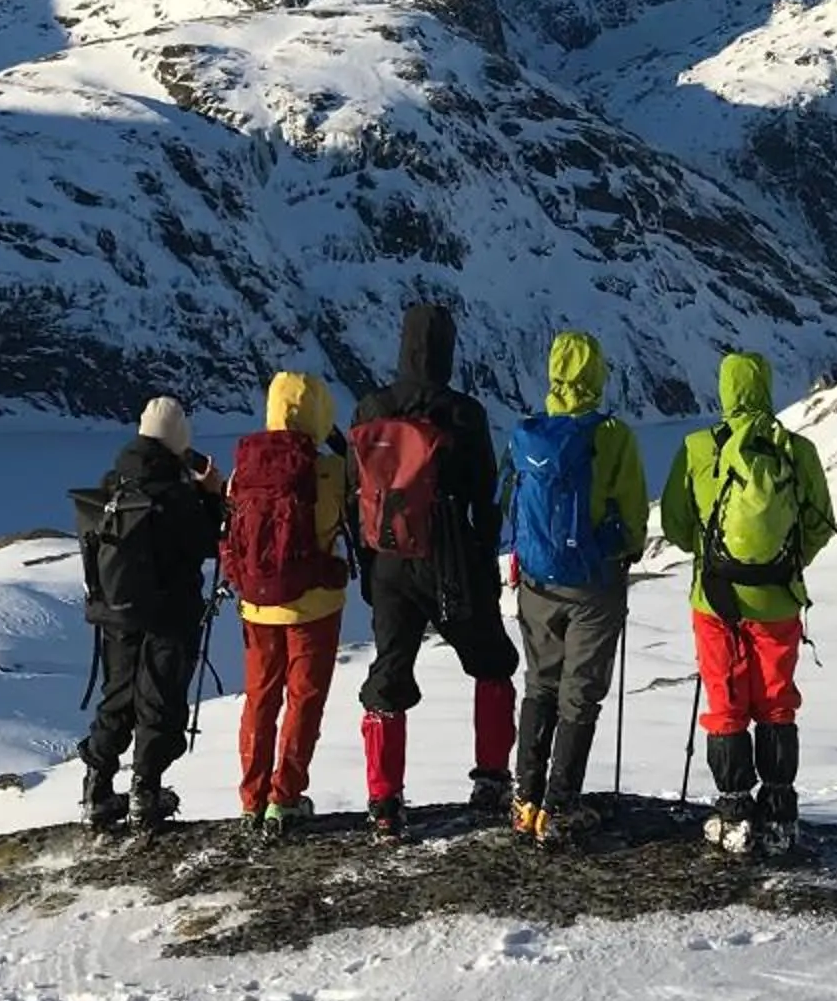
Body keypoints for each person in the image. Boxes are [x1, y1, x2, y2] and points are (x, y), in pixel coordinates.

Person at [350, 301, 519, 840]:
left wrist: (370, 565)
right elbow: (485, 497)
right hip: (451, 558)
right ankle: (491, 779)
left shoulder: (370, 409)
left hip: (390, 560)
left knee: (389, 674)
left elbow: (362, 497)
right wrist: (483, 559)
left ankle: (383, 802)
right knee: (491, 661)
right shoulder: (465, 414)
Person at [658, 352, 836, 857]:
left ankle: (734, 812)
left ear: (725, 391)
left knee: (726, 701)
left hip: (715, 599)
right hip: (778, 600)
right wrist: (785, 562)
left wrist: (710, 553)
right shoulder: (796, 450)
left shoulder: (697, 447)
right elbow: (821, 522)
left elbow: (674, 524)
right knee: (777, 700)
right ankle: (780, 812)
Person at [502, 330, 652, 846]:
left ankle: (524, 801)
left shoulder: (529, 433)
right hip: (594, 582)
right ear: (597, 375)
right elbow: (633, 509)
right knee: (580, 693)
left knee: (539, 683)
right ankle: (560, 806)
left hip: (537, 582)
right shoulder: (611, 435)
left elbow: (510, 502)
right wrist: (629, 547)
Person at [76, 395, 226, 833]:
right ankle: (146, 790)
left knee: (118, 696)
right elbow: (207, 543)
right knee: (158, 699)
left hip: (117, 611)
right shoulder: (175, 492)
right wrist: (211, 496)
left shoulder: (114, 481)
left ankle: (97, 788)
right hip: (170, 613)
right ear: (178, 439)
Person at [225, 371, 356, 840]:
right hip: (314, 605)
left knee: (260, 698)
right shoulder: (329, 471)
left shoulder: (245, 470)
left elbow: (231, 533)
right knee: (304, 698)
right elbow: (350, 517)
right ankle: (286, 797)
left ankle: (251, 799)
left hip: (257, 605)